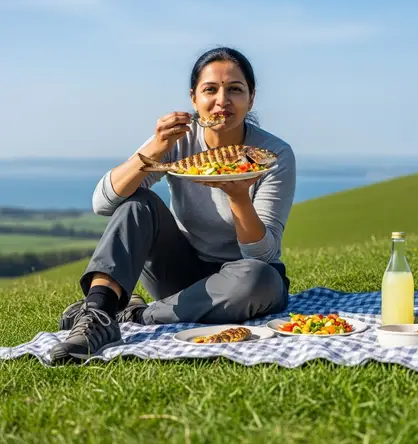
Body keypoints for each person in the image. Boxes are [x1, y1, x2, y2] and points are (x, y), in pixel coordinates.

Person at [50, 47, 296, 362]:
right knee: (137, 202)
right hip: (178, 271)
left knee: (258, 280)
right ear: (194, 98)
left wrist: (237, 197)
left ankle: (136, 315)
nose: (222, 100)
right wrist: (153, 150)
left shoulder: (272, 154)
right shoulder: (179, 139)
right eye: (211, 89)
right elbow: (103, 203)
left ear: (251, 99)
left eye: (235, 90)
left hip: (243, 281)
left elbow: (262, 254)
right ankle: (97, 315)